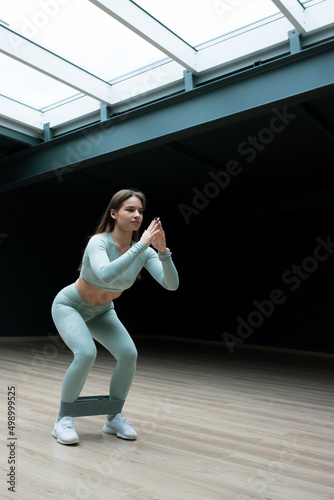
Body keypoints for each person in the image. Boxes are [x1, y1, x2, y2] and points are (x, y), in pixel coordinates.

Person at [51, 189, 179, 445]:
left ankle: (113, 417)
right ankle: (63, 419)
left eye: (140, 211)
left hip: (102, 312)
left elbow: (171, 284)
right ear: (114, 213)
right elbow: (105, 274)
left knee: (129, 354)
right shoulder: (99, 242)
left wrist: (163, 252)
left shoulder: (143, 251)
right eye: (130, 209)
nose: (137, 215)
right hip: (71, 305)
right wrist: (142, 245)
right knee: (86, 353)